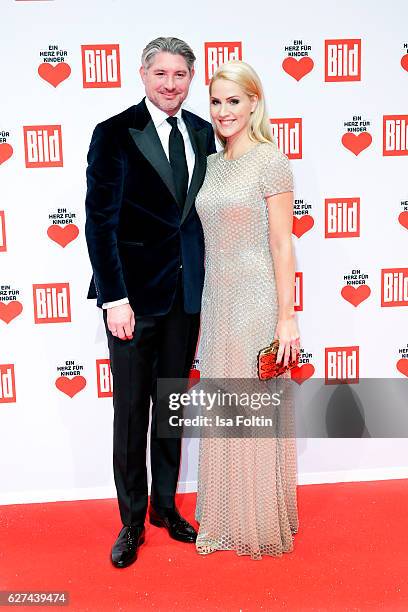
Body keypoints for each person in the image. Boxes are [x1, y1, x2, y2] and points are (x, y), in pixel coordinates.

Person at [84, 36, 216, 568]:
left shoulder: (205, 133)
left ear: (191, 78)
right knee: (131, 413)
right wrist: (114, 296)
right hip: (133, 303)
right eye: (160, 73)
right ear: (143, 74)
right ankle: (132, 520)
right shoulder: (114, 134)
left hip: (186, 298)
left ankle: (166, 506)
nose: (170, 84)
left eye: (180, 75)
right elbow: (100, 222)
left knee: (171, 409)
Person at [194, 61, 300, 559]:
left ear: (254, 102)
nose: (224, 111)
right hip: (217, 298)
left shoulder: (270, 160)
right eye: (216, 101)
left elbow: (282, 244)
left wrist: (287, 316)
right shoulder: (213, 164)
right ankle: (223, 514)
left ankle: (257, 519)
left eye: (234, 100)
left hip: (255, 298)